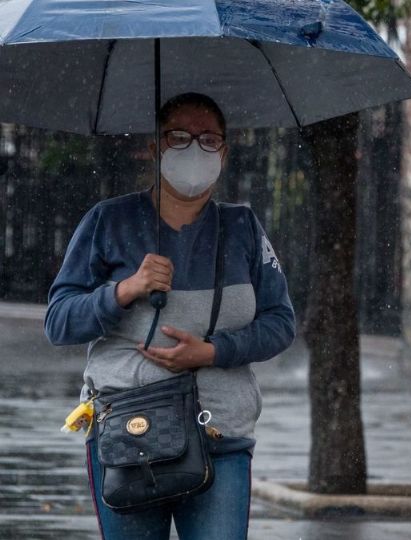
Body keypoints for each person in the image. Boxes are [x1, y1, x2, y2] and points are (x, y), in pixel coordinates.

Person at [44, 93, 296, 540]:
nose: (194, 149)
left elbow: (280, 323)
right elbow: (59, 321)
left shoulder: (242, 227)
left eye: (207, 138)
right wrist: (124, 291)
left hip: (220, 436)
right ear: (156, 146)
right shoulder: (108, 221)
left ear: (224, 151)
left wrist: (214, 352)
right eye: (178, 137)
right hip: (128, 435)